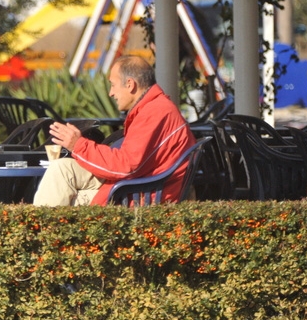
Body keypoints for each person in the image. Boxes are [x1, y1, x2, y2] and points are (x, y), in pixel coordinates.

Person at [33, 55, 196, 206]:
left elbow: (125, 166)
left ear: (130, 84)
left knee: (60, 195)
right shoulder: (156, 108)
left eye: (113, 85)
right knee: (61, 168)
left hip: (139, 194)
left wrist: (78, 145)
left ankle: (40, 227)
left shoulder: (154, 112)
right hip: (137, 185)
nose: (111, 93)